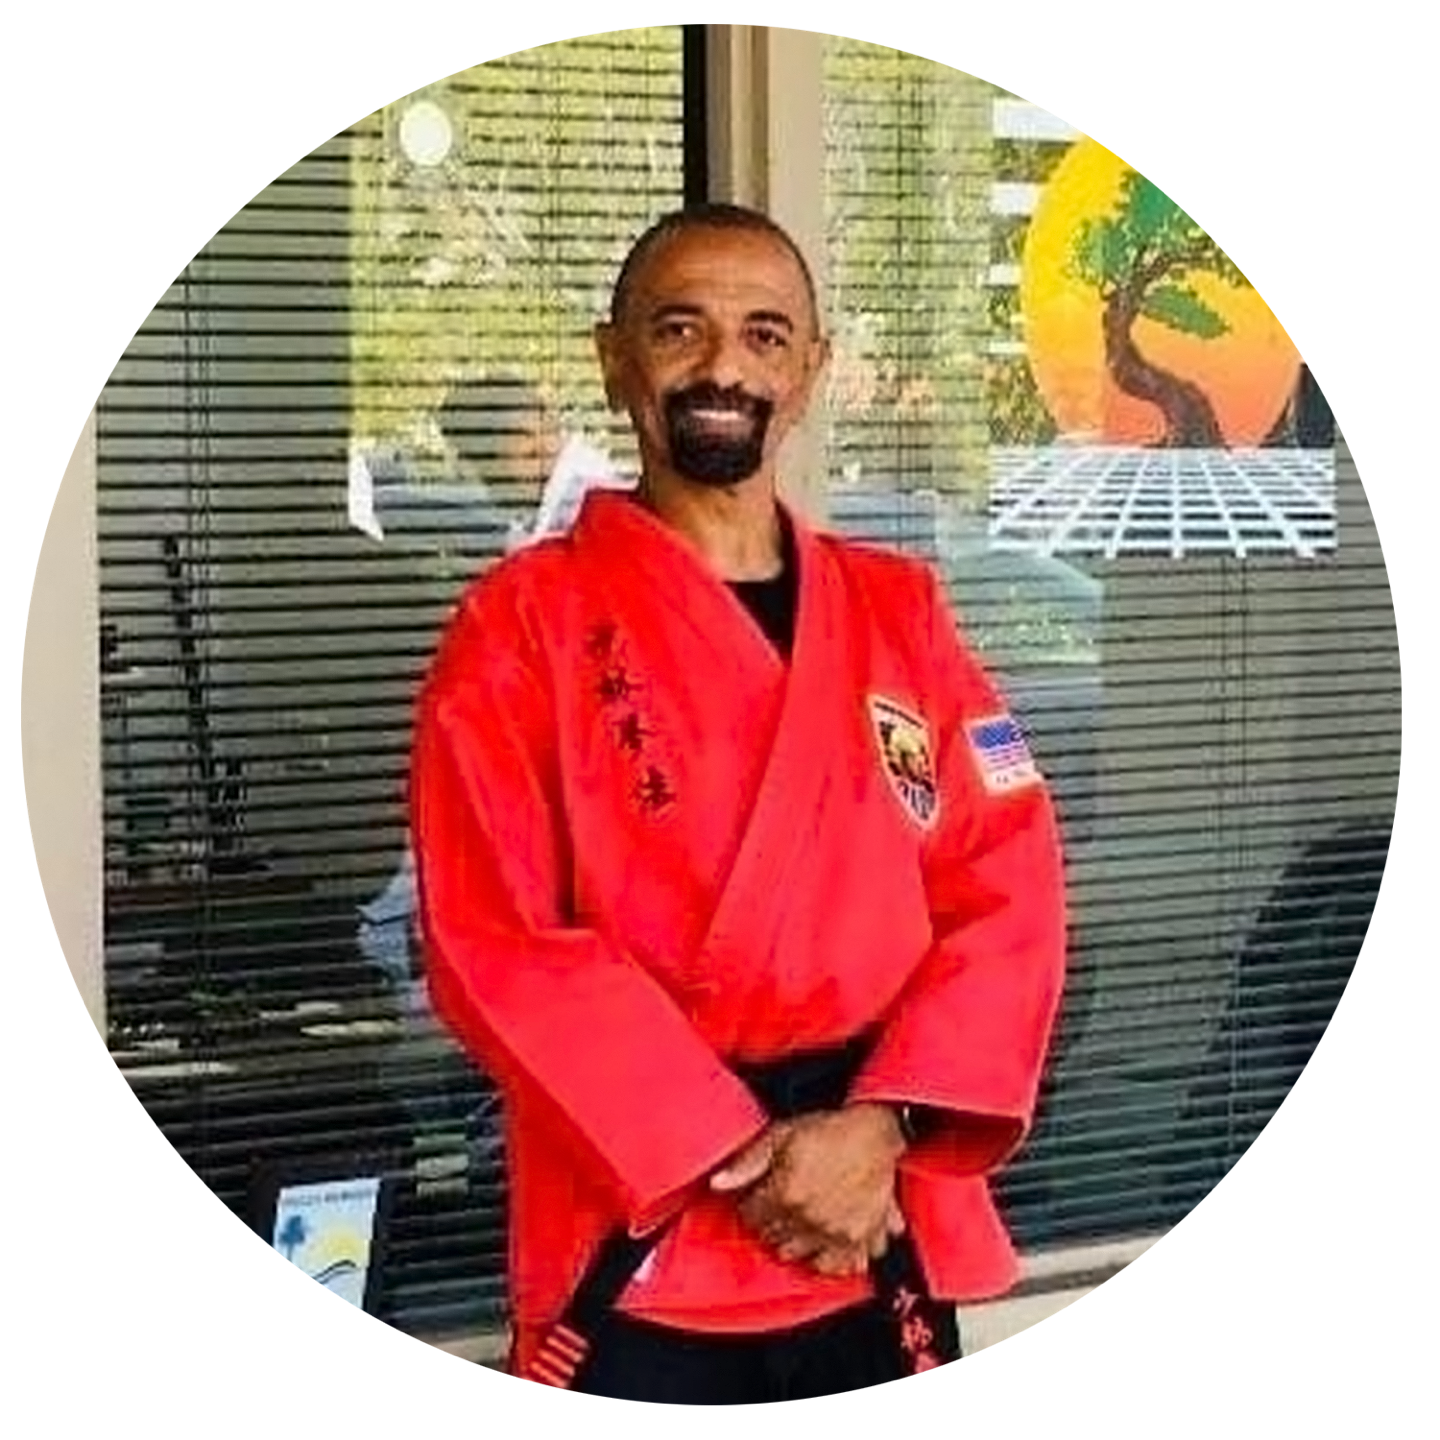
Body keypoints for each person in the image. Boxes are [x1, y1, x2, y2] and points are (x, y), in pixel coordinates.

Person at [410, 203, 1068, 1403]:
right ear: (615, 359)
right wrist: (739, 1153)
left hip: (871, 1215)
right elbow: (495, 940)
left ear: (809, 371)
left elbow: (1006, 882)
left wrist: (883, 1127)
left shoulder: (900, 612)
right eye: (681, 329)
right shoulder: (518, 629)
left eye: (766, 336)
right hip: (644, 1229)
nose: (725, 367)